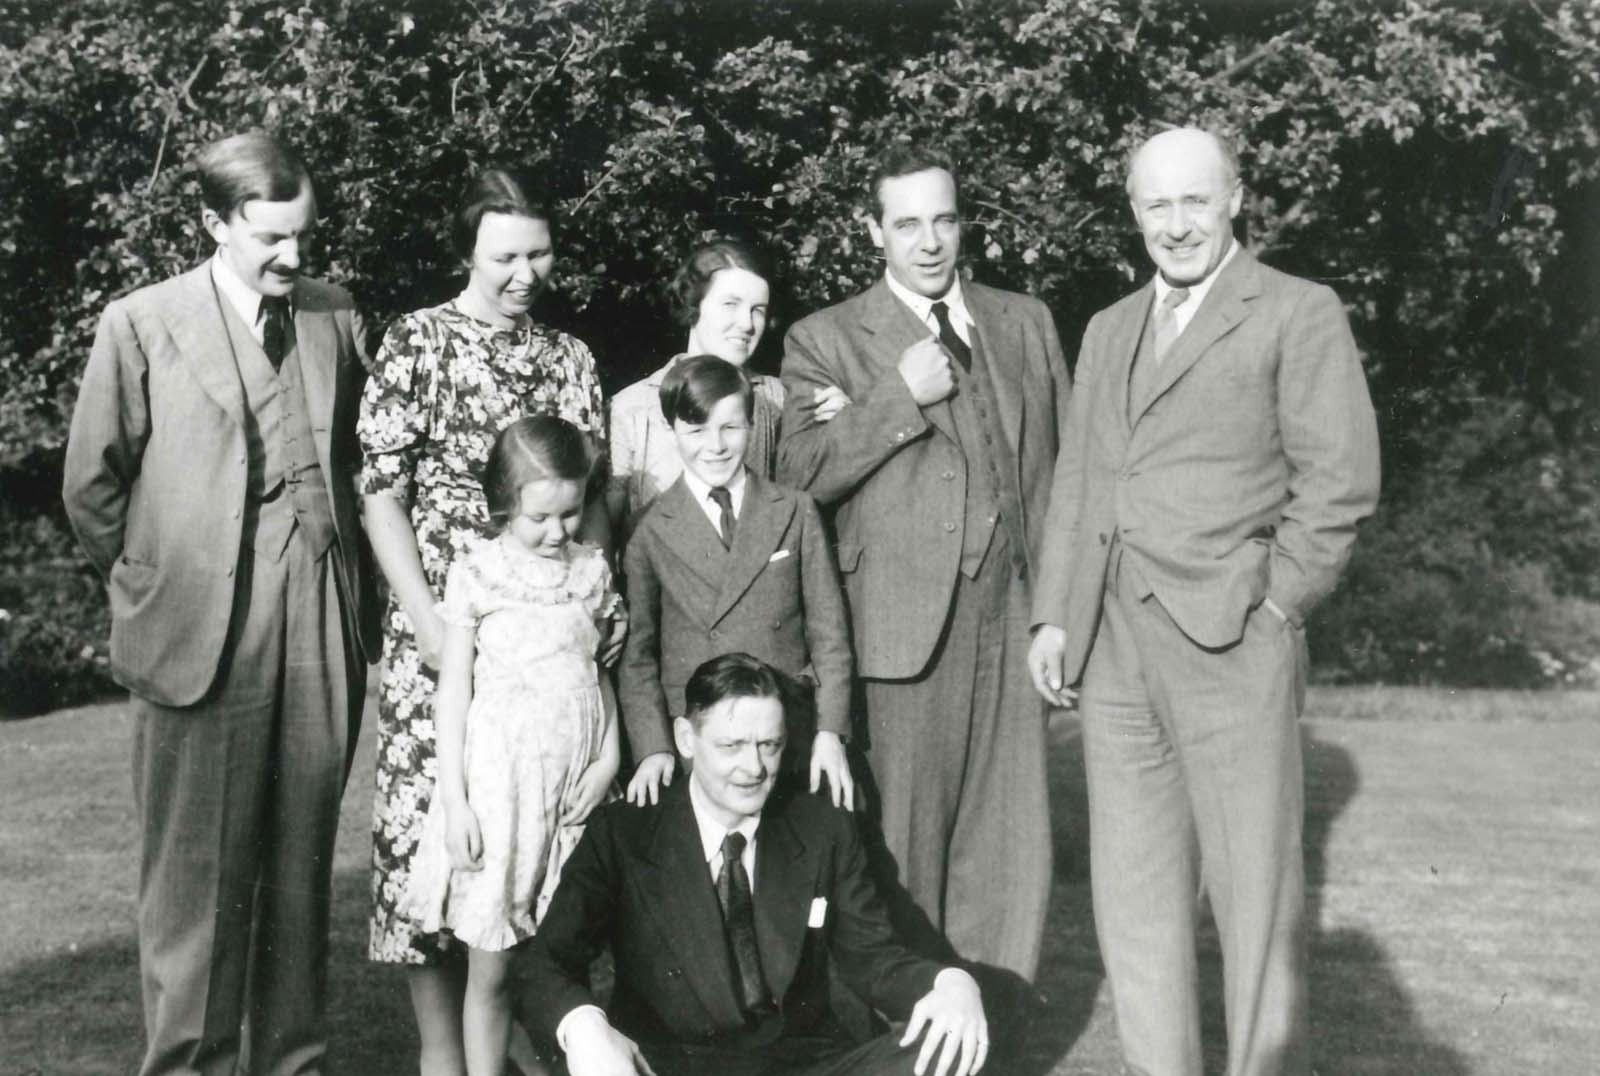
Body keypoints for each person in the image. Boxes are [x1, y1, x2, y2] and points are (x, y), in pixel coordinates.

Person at [1027, 127, 1381, 1076]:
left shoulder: (1297, 311)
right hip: (1114, 655)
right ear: (1133, 212)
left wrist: (1277, 608)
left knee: (1254, 899)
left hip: (1234, 639)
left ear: (1234, 198)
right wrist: (1057, 614)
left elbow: (1338, 484)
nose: (1175, 224)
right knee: (1134, 903)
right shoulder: (1108, 329)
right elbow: (1081, 482)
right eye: (1155, 205)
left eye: (1194, 201)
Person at [61, 131, 378, 1076]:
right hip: (200, 628)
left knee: (299, 871)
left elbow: (363, 462)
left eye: (303, 235)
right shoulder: (141, 321)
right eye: (270, 238)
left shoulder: (334, 316)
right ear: (213, 223)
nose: (293, 256)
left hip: (322, 607)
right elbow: (93, 487)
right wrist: (154, 583)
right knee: (195, 882)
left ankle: (292, 1062)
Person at [777, 144, 1069, 986]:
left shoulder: (1025, 321)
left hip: (1014, 624)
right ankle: (900, 1038)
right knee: (899, 854)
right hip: (897, 635)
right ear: (875, 232)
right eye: (907, 224)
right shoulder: (825, 338)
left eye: (943, 219)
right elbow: (797, 477)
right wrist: (897, 393)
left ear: (962, 222)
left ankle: (992, 1034)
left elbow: (1064, 477)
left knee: (1011, 856)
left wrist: (1061, 616)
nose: (930, 241)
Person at [358, 168, 612, 1074]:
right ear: (468, 250)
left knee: (535, 853)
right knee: (442, 849)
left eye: (538, 252)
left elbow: (595, 507)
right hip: (446, 645)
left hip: (547, 649)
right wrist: (424, 619)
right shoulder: (416, 343)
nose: (524, 272)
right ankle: (446, 1058)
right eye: (504, 255)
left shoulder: (571, 359)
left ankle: (527, 1043)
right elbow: (380, 494)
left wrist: (593, 616)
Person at [516, 653, 990, 1076]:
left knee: (953, 1044)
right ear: (685, 738)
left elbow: (874, 959)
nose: (754, 767)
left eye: (770, 745)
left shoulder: (822, 827)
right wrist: (585, 1028)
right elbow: (545, 965)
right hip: (673, 1062)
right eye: (732, 746)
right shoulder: (623, 832)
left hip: (803, 1061)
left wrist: (951, 983)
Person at [405, 416, 622, 1076]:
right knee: (493, 971)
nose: (558, 532)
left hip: (574, 792)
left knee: (565, 957)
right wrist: (456, 802)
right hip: (500, 797)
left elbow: (598, 676)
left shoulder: (590, 572)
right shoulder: (479, 574)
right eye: (540, 519)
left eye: (571, 513)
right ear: (503, 505)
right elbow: (453, 695)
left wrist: (610, 758)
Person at [618, 355, 853, 812]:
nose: (716, 445)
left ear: (753, 424)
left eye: (731, 428)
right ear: (672, 432)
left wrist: (830, 731)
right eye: (697, 430)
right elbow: (638, 656)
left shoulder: (795, 509)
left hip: (788, 732)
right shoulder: (648, 529)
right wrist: (653, 747)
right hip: (703, 742)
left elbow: (830, 635)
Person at [606, 238, 848, 535]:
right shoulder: (631, 407)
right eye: (730, 304)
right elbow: (608, 529)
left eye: (758, 310)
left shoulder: (779, 398)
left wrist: (842, 425)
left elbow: (809, 496)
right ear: (693, 305)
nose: (747, 324)